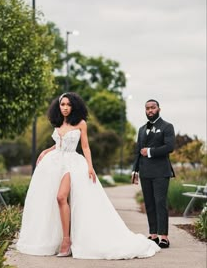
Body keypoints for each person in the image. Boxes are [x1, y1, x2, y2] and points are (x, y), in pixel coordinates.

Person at [16, 92, 160, 259]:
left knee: (61, 197)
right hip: (55, 162)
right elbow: (58, 145)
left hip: (72, 164)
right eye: (62, 104)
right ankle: (62, 239)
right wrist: (46, 150)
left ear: (74, 106)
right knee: (53, 200)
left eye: (68, 105)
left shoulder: (80, 123)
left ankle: (66, 241)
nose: (64, 108)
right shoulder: (57, 123)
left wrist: (90, 167)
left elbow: (85, 147)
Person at [132, 99, 175, 249]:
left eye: (153, 108)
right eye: (147, 108)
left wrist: (150, 151)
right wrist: (135, 170)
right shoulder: (142, 129)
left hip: (161, 172)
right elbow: (138, 150)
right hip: (145, 172)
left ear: (158, 109)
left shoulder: (167, 127)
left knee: (160, 203)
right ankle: (153, 234)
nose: (150, 110)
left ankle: (164, 237)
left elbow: (170, 147)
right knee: (149, 204)